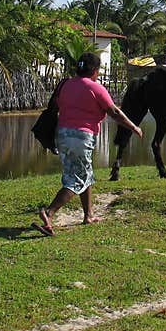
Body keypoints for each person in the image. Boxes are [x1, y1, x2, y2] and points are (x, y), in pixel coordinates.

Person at [32, 52, 143, 236]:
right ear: (95, 71)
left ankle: (88, 215)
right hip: (81, 138)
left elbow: (59, 107)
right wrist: (133, 127)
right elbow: (114, 111)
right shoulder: (95, 88)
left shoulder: (65, 85)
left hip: (63, 136)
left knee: (85, 173)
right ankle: (49, 213)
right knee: (76, 179)